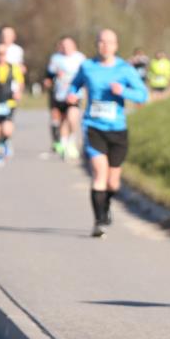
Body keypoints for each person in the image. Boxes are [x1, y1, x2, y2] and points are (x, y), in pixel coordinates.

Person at [67, 29, 148, 237]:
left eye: (109, 42)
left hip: (118, 130)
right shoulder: (87, 66)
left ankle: (107, 204)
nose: (105, 46)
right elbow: (74, 85)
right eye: (101, 42)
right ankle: (98, 221)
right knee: (99, 174)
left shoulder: (124, 69)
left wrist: (123, 92)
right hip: (93, 127)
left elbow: (142, 95)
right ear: (96, 44)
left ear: (116, 45)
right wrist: (71, 95)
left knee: (113, 182)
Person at [45, 36, 87, 161]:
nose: (66, 48)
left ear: (74, 46)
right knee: (62, 120)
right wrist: (53, 77)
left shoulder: (80, 58)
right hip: (59, 94)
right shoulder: (56, 58)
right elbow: (48, 75)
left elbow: (87, 75)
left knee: (72, 118)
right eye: (63, 45)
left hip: (74, 94)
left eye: (68, 45)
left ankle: (72, 141)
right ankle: (63, 143)